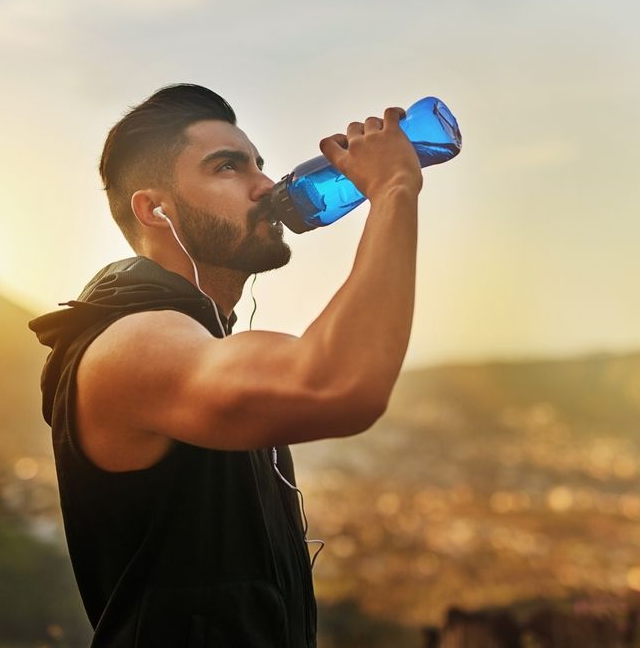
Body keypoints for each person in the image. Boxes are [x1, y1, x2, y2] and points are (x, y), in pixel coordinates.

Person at [27, 83, 421, 647]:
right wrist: (395, 187)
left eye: (259, 164)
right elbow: (338, 383)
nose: (265, 184)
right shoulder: (134, 340)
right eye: (227, 168)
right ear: (153, 208)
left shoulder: (198, 336)